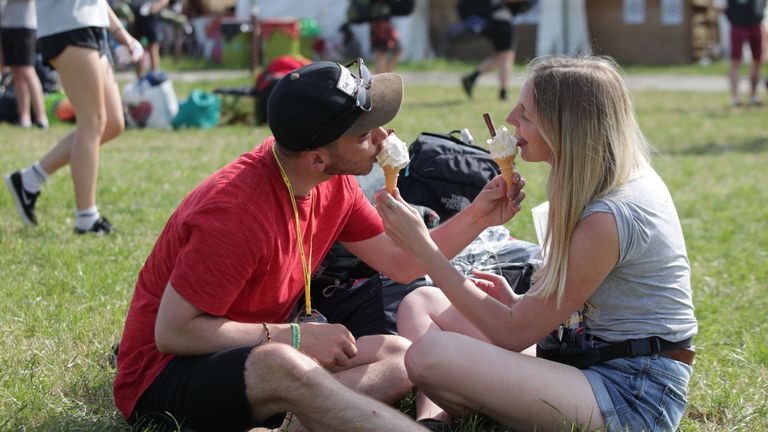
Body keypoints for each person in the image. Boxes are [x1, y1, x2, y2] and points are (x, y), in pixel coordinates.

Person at [113, 59, 526, 431]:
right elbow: (173, 333)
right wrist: (292, 337)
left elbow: (402, 263)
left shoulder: (334, 183)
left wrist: (479, 215)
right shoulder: (234, 212)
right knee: (281, 362)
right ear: (316, 159)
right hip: (163, 382)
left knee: (400, 354)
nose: (384, 137)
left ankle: (293, 422)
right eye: (365, 134)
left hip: (253, 359)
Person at [376, 56, 698, 431]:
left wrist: (423, 249)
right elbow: (552, 315)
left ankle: (450, 410)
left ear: (565, 126)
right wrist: (518, 304)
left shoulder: (608, 217)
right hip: (582, 359)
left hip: (630, 394)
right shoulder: (594, 179)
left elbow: (512, 334)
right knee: (422, 303)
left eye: (526, 113)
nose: (511, 118)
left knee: (429, 355)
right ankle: (434, 421)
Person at [4, 0, 140, 233]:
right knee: (94, 122)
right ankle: (86, 218)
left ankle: (29, 179)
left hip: (91, 23)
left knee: (113, 123)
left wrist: (119, 31)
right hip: (68, 25)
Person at [0, 0, 49, 128]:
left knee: (28, 71)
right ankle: (24, 117)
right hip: (7, 26)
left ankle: (41, 116)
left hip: (25, 26)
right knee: (16, 73)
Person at [457, 0, 518, 101]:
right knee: (507, 56)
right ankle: (503, 93)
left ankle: (471, 78)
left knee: (503, 55)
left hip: (489, 20)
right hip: (501, 20)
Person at [722, 0, 765, 106]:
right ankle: (735, 98)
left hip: (755, 23)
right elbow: (722, 7)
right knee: (736, 60)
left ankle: (753, 96)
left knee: (758, 60)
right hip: (738, 25)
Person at [128, 0, 168, 78]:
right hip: (138, 17)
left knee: (153, 48)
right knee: (137, 48)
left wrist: (155, 7)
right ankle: (139, 80)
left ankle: (154, 78)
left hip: (152, 19)